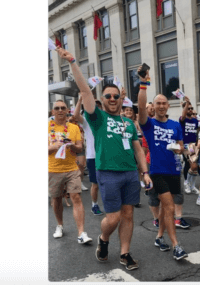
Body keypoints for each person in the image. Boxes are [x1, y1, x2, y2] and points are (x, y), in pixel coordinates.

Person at [57, 47, 151, 271]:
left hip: (130, 173)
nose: (112, 98)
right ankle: (104, 238)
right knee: (114, 217)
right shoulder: (97, 117)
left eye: (115, 96)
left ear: (120, 99)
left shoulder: (129, 122)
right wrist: (72, 61)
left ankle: (125, 253)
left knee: (128, 214)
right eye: (107, 96)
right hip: (107, 173)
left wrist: (145, 172)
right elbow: (85, 91)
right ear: (102, 99)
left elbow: (138, 149)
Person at [138, 68, 188, 261]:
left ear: (168, 106)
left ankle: (159, 237)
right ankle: (176, 245)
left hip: (174, 171)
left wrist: (178, 148)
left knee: (165, 208)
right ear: (155, 106)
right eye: (157, 103)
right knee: (169, 208)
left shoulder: (175, 125)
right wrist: (143, 84)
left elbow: (182, 146)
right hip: (157, 171)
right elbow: (141, 109)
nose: (160, 106)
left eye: (163, 103)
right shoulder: (149, 124)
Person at [48, 99, 92, 244]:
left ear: (68, 110)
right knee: (56, 199)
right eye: (57, 108)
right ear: (53, 111)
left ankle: (81, 233)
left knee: (76, 198)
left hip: (72, 168)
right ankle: (60, 225)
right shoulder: (46, 127)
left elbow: (80, 147)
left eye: (63, 108)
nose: (60, 110)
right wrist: (54, 147)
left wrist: (72, 145)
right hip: (53, 169)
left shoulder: (73, 128)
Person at [72, 94, 103, 216]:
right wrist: (80, 100)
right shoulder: (86, 121)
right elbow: (75, 116)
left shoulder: (105, 120)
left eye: (98, 106)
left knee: (109, 182)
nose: (96, 108)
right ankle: (94, 205)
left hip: (106, 155)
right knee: (95, 184)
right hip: (92, 156)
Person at [179, 97, 200, 194]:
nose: (191, 110)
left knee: (191, 165)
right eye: (188, 108)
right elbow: (183, 115)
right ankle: (187, 183)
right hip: (186, 145)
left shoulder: (195, 121)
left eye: (192, 108)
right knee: (193, 164)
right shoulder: (182, 119)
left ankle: (191, 185)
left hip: (193, 145)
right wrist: (187, 103)